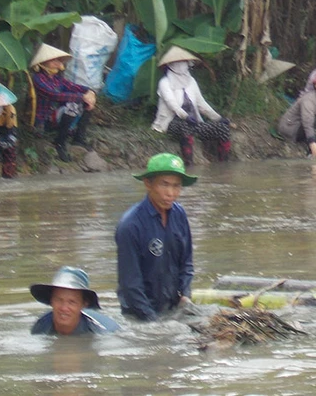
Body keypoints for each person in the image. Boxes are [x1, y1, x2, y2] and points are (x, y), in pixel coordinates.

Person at [116, 153, 196, 321]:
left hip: (172, 308)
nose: (170, 193)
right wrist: (154, 323)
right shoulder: (130, 225)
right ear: (148, 183)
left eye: (176, 186)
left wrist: (185, 295)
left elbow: (186, 263)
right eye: (164, 185)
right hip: (139, 315)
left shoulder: (179, 214)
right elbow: (130, 285)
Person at [152, 46, 232, 166]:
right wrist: (185, 117)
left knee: (223, 129)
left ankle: (223, 166)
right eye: (177, 62)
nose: (181, 64)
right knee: (185, 127)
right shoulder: (165, 83)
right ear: (170, 65)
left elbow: (201, 104)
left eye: (183, 61)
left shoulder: (191, 81)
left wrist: (218, 118)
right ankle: (189, 165)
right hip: (172, 124)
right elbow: (172, 104)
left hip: (194, 123)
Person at [29, 44, 96, 162]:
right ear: (44, 62)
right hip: (44, 120)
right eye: (53, 60)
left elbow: (72, 86)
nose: (57, 63)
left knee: (87, 102)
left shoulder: (56, 78)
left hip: (56, 115)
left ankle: (79, 138)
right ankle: (60, 143)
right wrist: (82, 97)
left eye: (58, 60)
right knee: (73, 106)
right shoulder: (38, 78)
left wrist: (90, 92)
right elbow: (54, 95)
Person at [30, 266, 119, 335]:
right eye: (59, 300)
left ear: (84, 304)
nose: (64, 308)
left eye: (72, 302)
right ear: (51, 301)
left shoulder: (100, 331)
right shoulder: (40, 327)